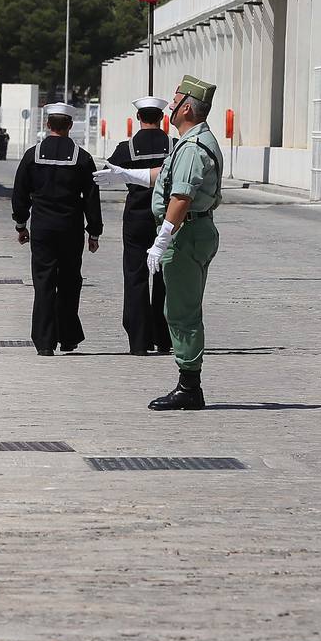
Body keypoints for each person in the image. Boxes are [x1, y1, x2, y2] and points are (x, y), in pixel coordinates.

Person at [98, 76, 223, 409]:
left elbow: (181, 196)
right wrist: (125, 175)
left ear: (188, 109)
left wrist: (162, 239)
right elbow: (163, 175)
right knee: (177, 308)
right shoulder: (187, 142)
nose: (170, 106)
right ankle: (188, 382)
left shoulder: (194, 147)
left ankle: (189, 387)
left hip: (187, 233)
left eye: (176, 100)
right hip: (190, 232)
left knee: (182, 312)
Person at [12, 103, 102, 357]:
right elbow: (91, 198)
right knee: (70, 282)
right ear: (70, 126)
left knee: (44, 283)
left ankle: (44, 341)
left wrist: (21, 224)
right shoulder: (83, 158)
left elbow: (20, 194)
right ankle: (68, 337)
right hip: (71, 229)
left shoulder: (31, 155)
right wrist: (94, 232)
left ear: (47, 124)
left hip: (42, 229)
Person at [105, 97, 172, 358]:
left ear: (138, 120)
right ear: (162, 119)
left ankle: (139, 341)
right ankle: (164, 338)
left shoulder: (127, 148)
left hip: (136, 218)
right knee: (166, 278)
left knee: (136, 277)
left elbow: (106, 174)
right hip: (166, 218)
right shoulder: (174, 146)